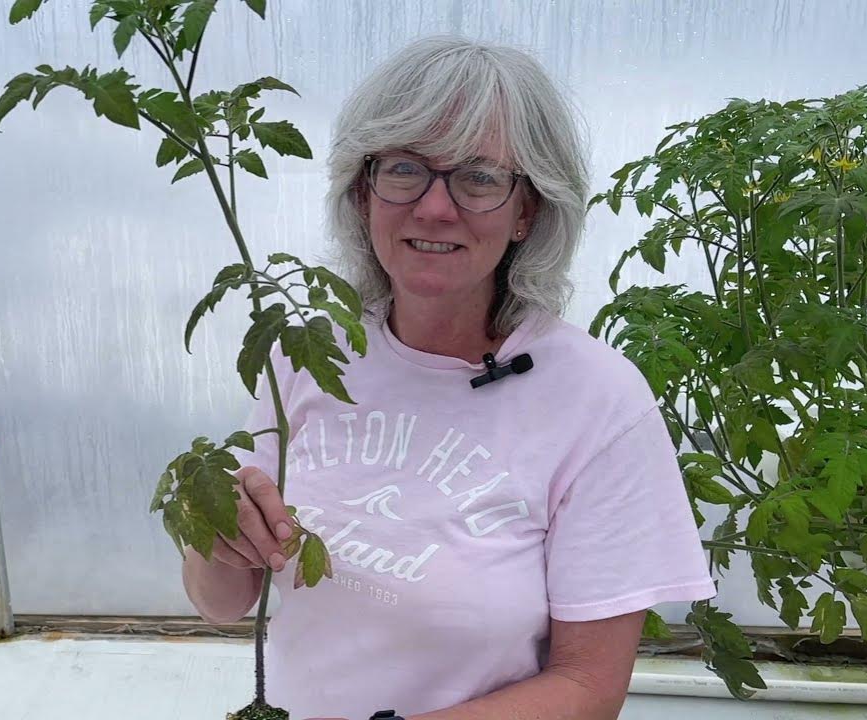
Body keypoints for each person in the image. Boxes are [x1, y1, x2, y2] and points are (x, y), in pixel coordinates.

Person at [182, 36, 715, 720]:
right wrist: (213, 527)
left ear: (529, 210)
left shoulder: (597, 400)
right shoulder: (309, 350)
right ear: (363, 190)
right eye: (405, 168)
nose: (434, 208)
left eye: (480, 178)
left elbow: (588, 688)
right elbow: (224, 601)